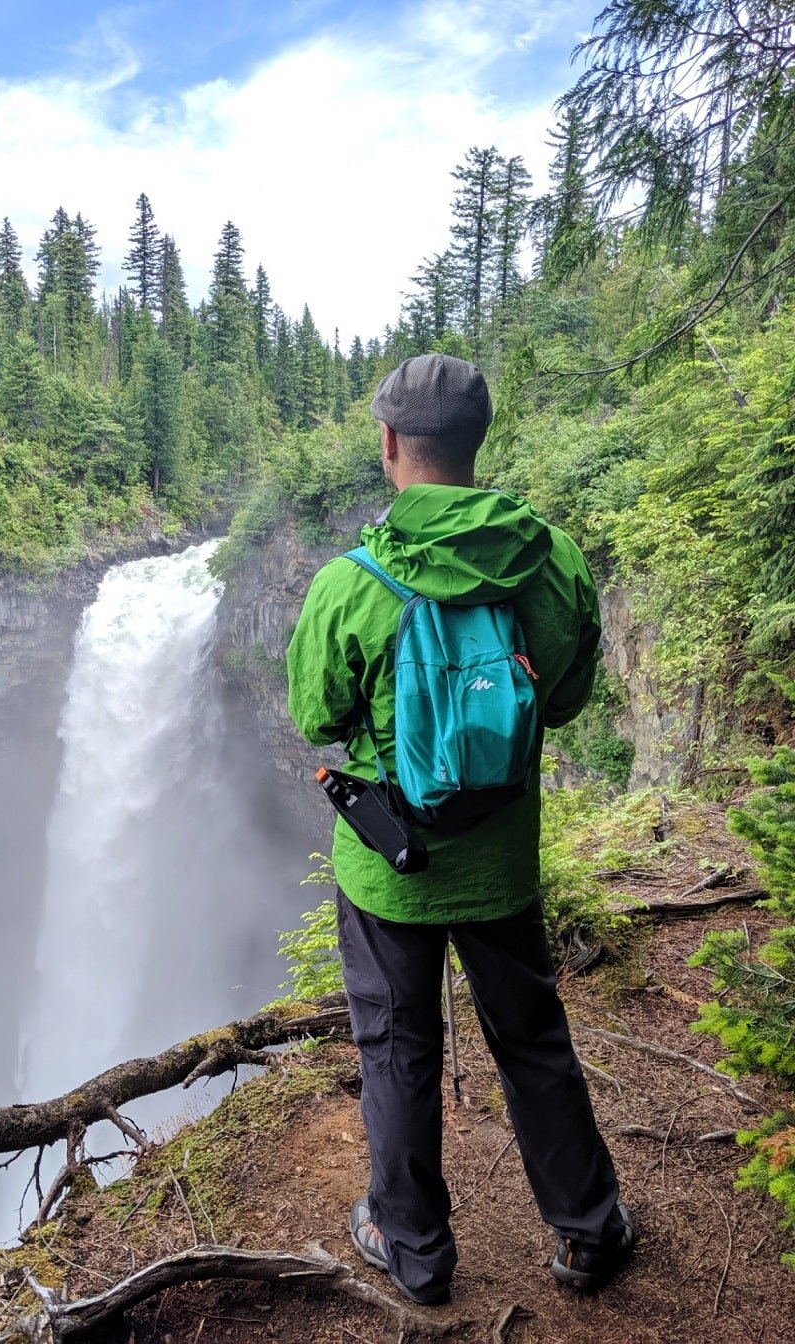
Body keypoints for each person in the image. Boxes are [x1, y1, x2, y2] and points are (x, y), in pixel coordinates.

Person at [286, 353, 635, 1306]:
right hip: (500, 861)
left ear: (391, 445)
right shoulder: (549, 559)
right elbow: (562, 699)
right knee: (532, 1038)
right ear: (478, 446)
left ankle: (415, 1249)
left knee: (397, 1047)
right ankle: (588, 1232)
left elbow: (317, 711)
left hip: (390, 866)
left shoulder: (352, 583)